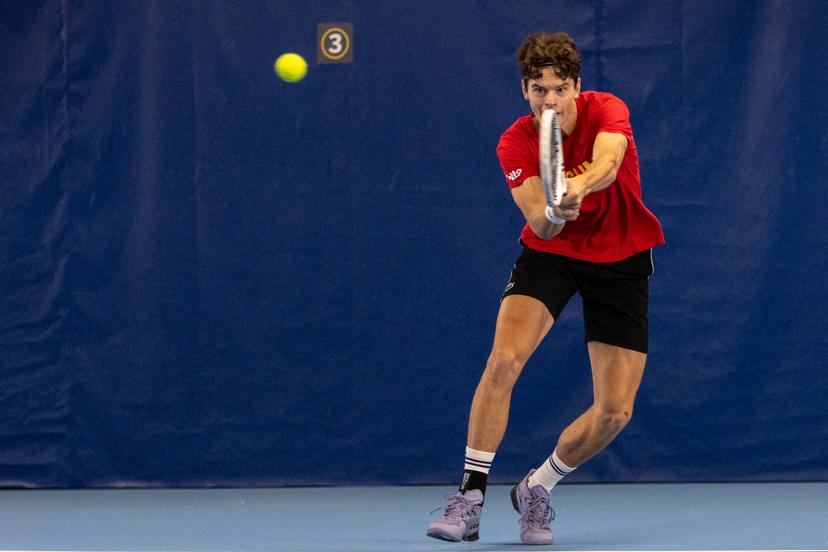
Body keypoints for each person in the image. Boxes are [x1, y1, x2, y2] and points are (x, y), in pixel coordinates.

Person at [426, 32, 665, 545]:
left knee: (614, 413)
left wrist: (575, 186)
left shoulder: (607, 110)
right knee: (504, 361)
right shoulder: (514, 141)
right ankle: (469, 498)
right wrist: (554, 212)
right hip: (551, 256)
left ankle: (538, 486)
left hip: (621, 257)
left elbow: (608, 160)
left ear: (576, 86)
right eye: (539, 89)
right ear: (524, 91)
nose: (549, 100)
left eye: (559, 88)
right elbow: (537, 215)